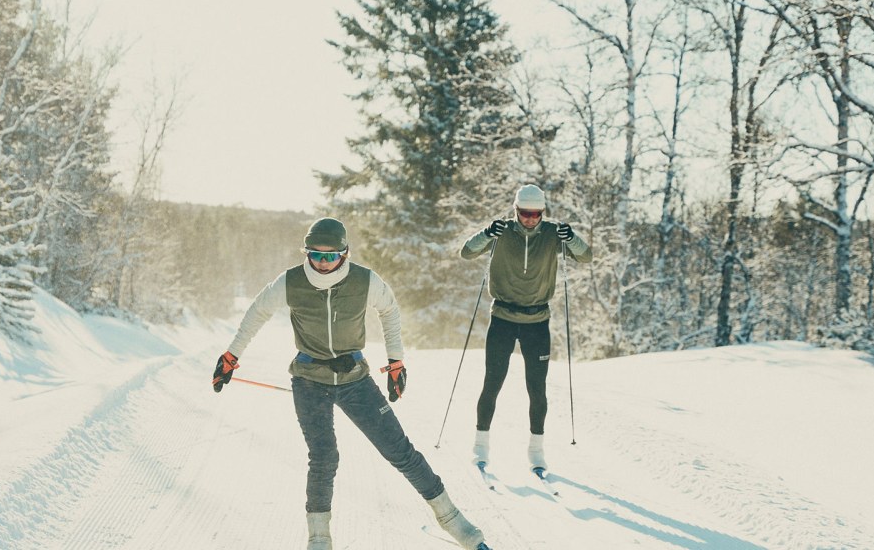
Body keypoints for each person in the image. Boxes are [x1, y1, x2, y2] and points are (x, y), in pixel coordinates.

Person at [213, 217, 493, 550]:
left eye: (330, 257)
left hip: (354, 378)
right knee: (324, 456)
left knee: (399, 450)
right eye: (315, 255)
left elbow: (389, 310)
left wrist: (396, 361)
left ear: (345, 253)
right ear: (307, 252)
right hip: (309, 379)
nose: (322, 263)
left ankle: (453, 521)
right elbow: (257, 312)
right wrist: (231, 356)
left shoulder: (364, 280)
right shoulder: (291, 281)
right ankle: (319, 539)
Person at [459, 184, 593, 472]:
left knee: (537, 388)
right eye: (525, 213)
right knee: (492, 382)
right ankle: (480, 446)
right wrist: (486, 234)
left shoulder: (552, 234)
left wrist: (574, 238)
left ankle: (536, 451)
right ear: (515, 210)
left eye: (536, 214)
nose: (531, 219)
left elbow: (586, 256)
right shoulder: (502, 231)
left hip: (537, 322)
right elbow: (466, 253)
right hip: (503, 318)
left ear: (542, 212)